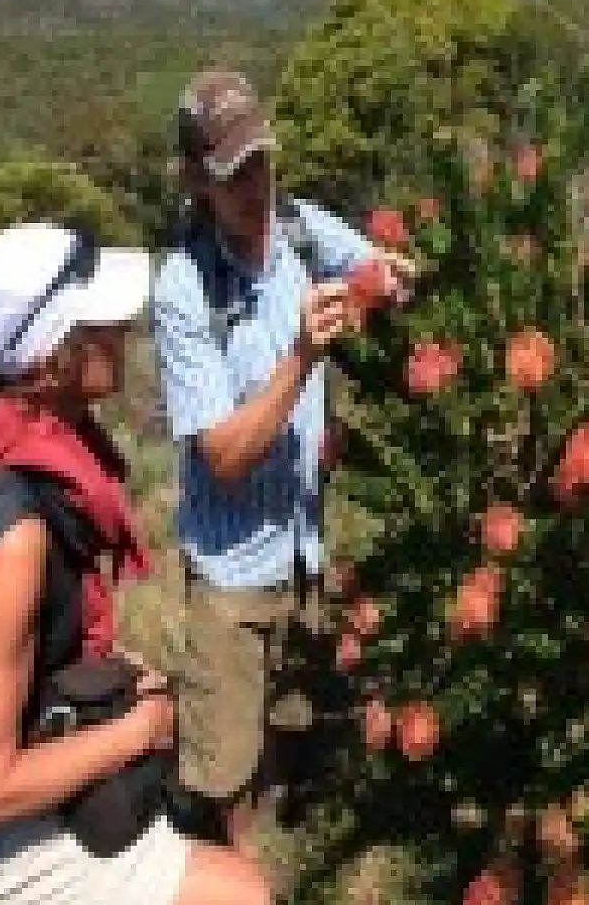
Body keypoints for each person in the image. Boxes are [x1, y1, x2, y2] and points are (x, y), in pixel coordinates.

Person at [0, 221, 271, 905]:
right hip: (21, 843)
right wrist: (136, 731)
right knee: (241, 895)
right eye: (102, 319)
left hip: (51, 790)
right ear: (53, 356)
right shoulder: (17, 538)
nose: (123, 328)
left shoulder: (4, 450)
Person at [151, 70, 413, 849]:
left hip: (303, 555)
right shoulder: (183, 289)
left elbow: (385, 272)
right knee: (223, 782)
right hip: (231, 580)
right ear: (197, 179)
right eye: (233, 174)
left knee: (299, 746)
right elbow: (224, 456)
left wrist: (386, 281)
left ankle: (288, 859)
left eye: (261, 162)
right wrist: (301, 356)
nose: (254, 187)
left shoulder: (300, 228)